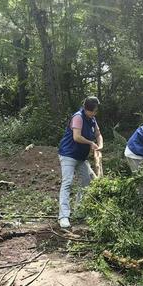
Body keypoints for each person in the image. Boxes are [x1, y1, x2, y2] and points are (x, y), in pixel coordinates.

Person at [58, 96, 103, 228]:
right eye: (93, 111)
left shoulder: (92, 119)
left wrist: (99, 145)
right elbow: (76, 137)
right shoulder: (78, 117)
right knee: (67, 183)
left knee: (87, 181)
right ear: (86, 109)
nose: (95, 113)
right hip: (68, 155)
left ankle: (79, 210)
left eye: (96, 111)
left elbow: (99, 134)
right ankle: (64, 216)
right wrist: (91, 143)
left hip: (81, 158)